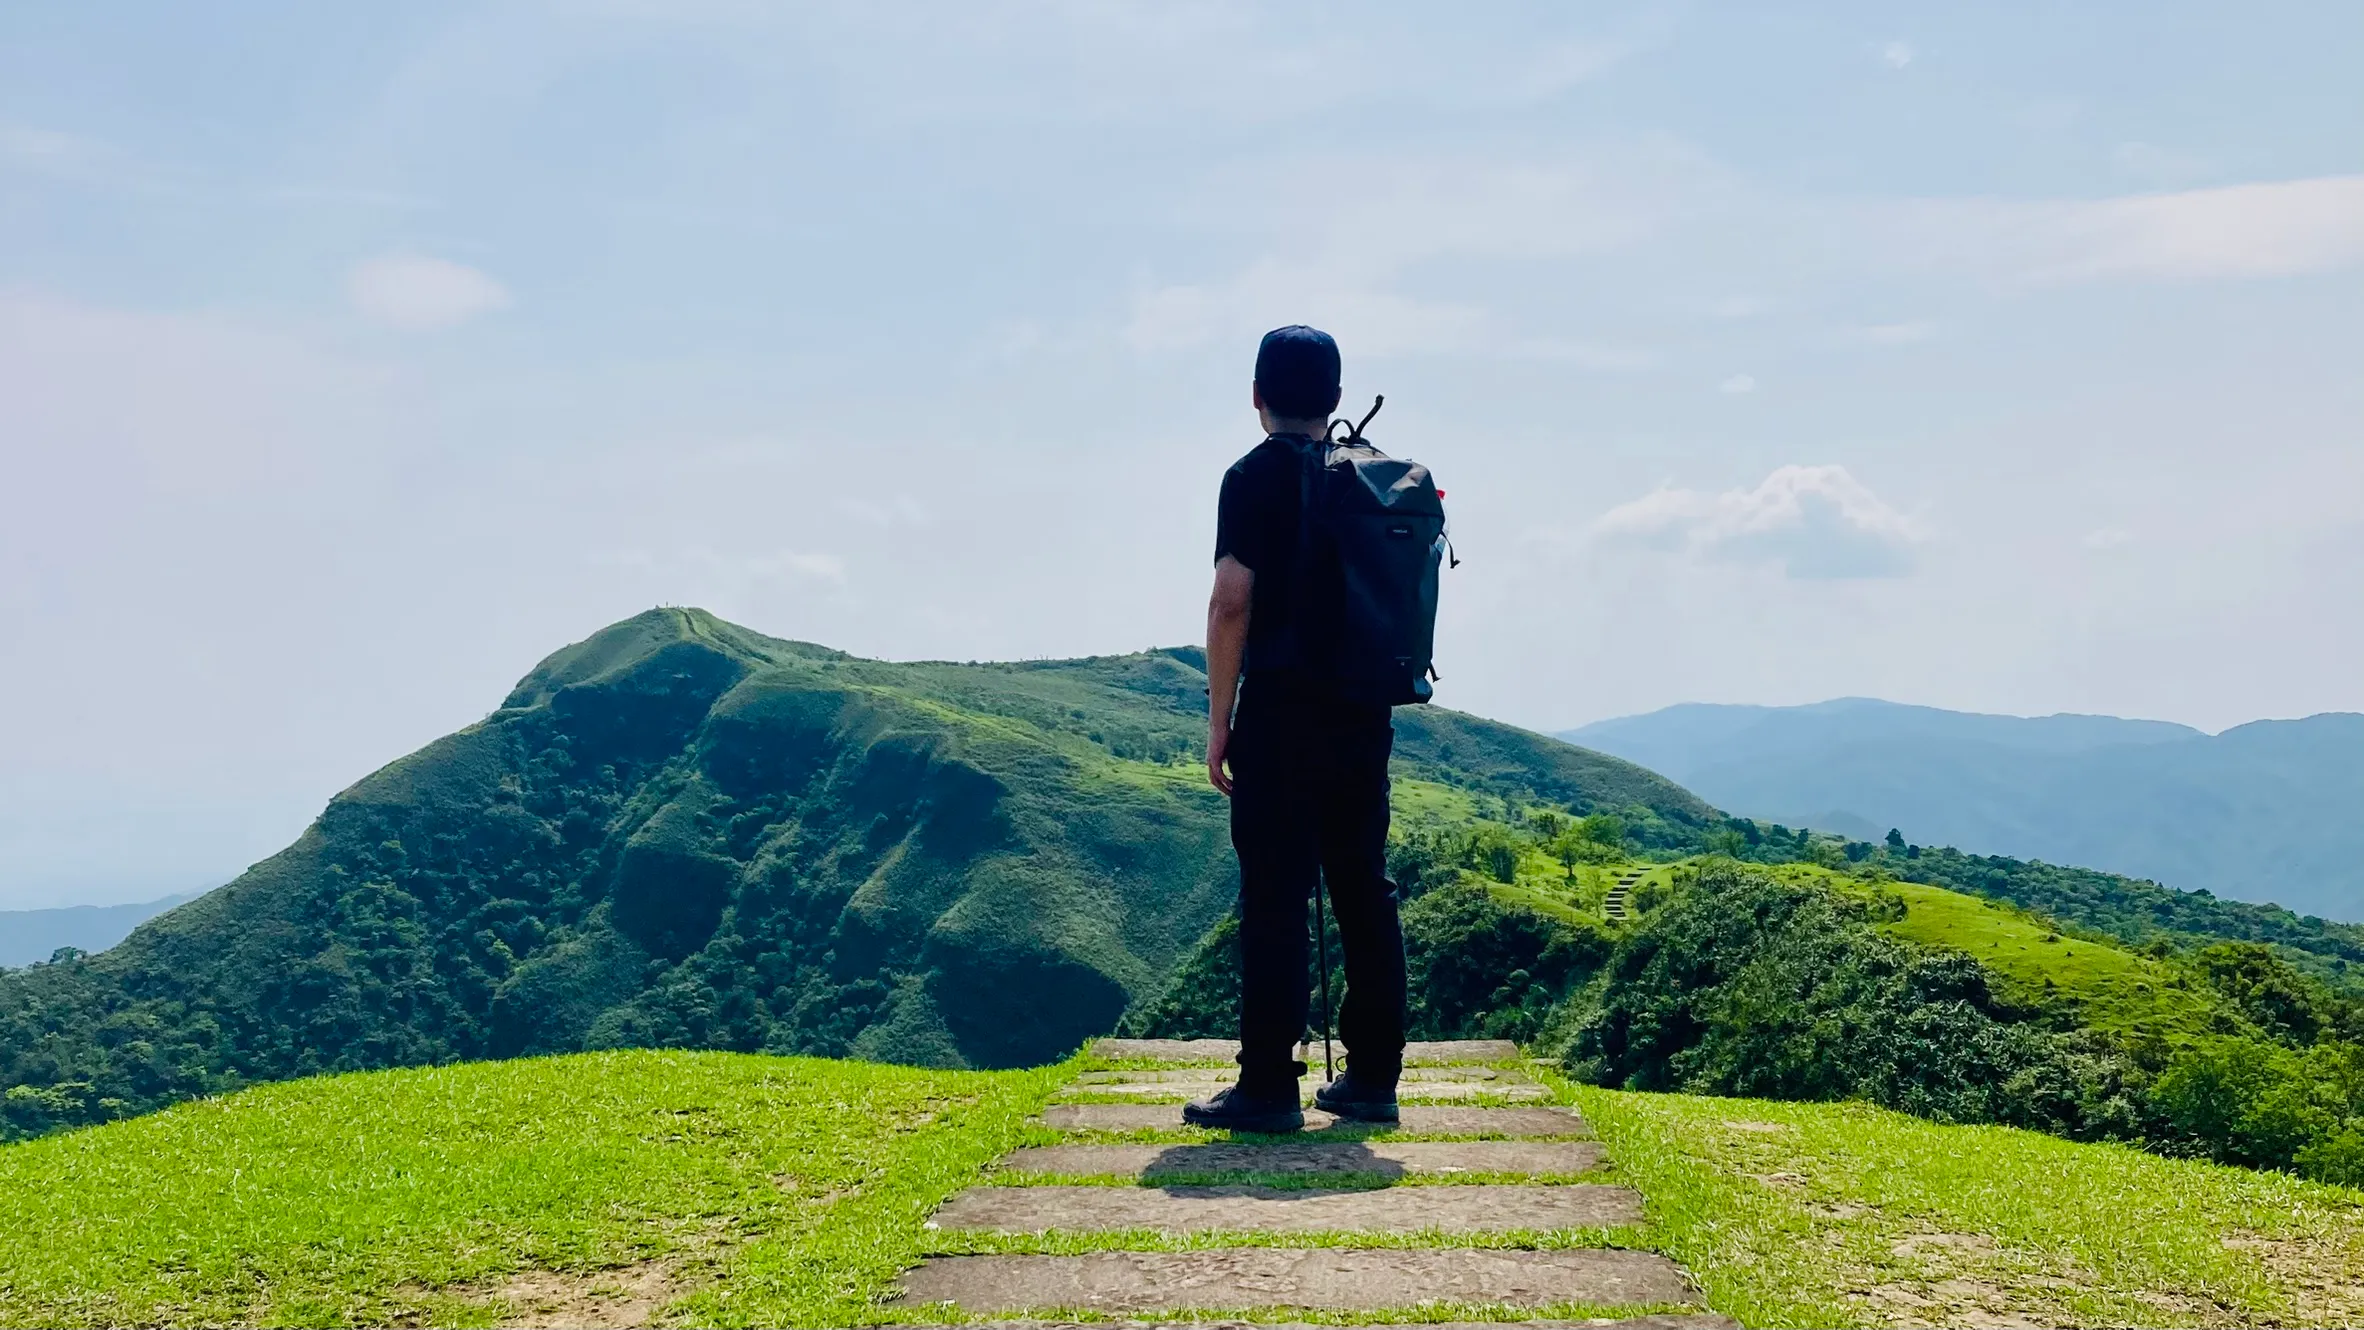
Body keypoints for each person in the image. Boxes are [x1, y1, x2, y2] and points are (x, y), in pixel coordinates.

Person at [1185, 325, 1408, 1134]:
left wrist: (1219, 724)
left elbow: (1229, 603)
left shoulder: (1250, 478)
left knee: (1275, 895)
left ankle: (1268, 1087)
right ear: (1337, 401)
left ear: (1256, 397)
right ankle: (1373, 1077)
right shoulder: (1371, 481)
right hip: (1362, 713)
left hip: (1280, 714)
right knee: (1363, 887)